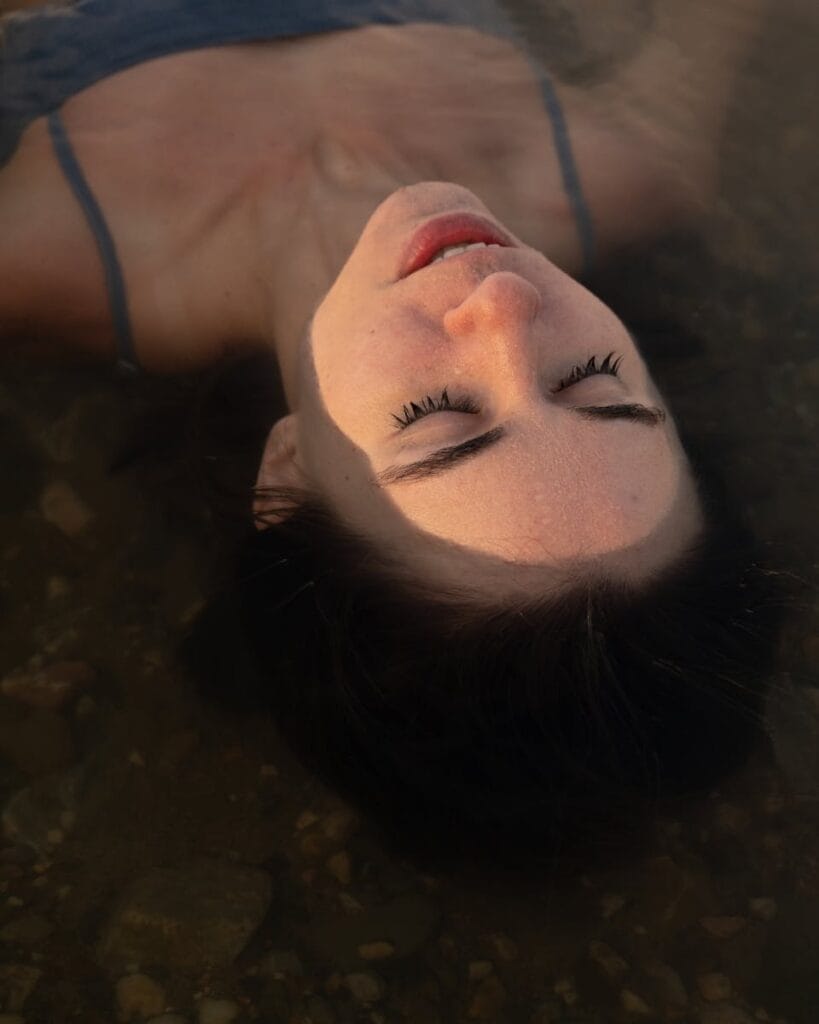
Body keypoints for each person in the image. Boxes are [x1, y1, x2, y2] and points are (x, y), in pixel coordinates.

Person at [0, 0, 788, 869]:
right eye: (592, 381)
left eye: (437, 418)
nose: (505, 305)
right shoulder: (633, 167)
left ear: (289, 471)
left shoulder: (40, 258)